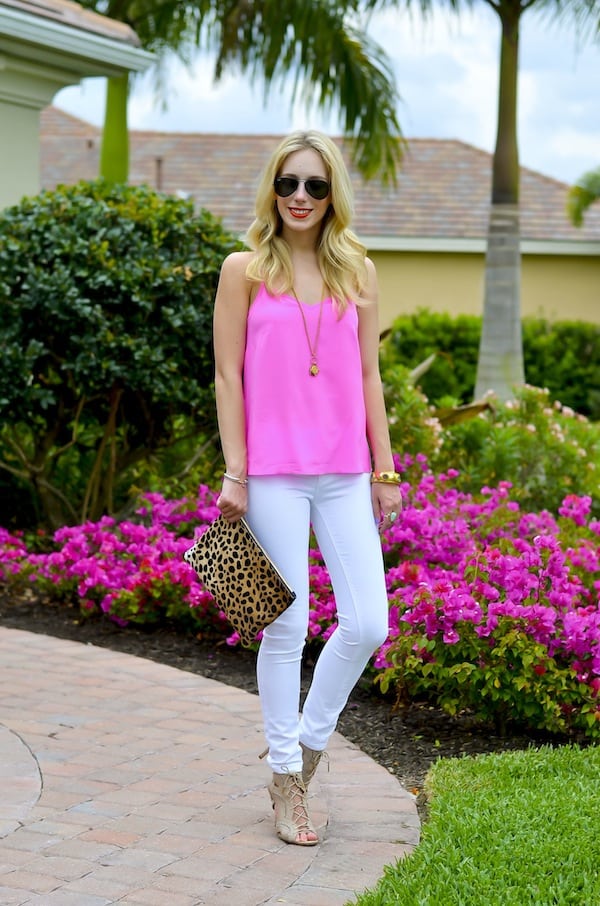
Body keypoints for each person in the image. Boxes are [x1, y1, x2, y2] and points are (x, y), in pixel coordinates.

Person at [212, 130, 402, 846]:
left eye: (314, 186)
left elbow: (369, 376)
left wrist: (384, 470)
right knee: (286, 623)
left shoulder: (358, 270)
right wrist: (236, 468)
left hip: (345, 472)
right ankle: (286, 778)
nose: (299, 197)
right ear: (272, 189)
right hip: (272, 475)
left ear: (332, 196)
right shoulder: (244, 269)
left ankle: (305, 752)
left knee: (368, 624)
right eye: (288, 183)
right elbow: (228, 374)